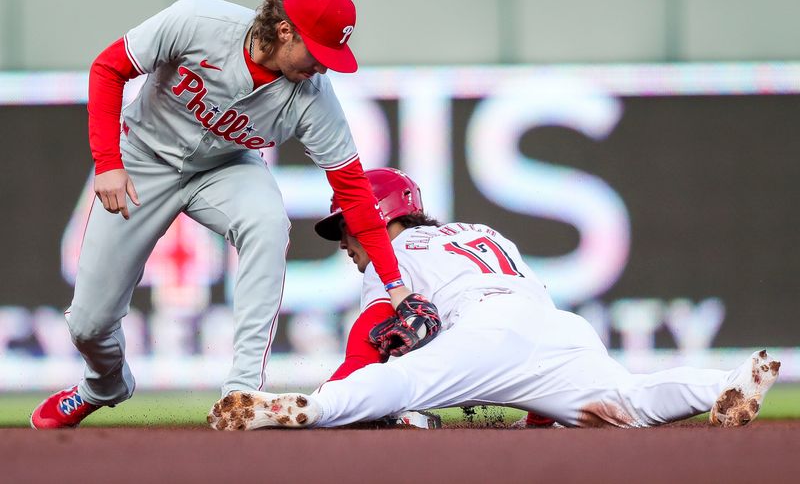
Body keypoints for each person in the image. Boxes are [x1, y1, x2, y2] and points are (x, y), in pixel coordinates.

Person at [30, 0, 441, 430]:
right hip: (142, 159)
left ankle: (240, 392)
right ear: (285, 30)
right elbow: (108, 68)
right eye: (318, 53)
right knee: (88, 324)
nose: (323, 69)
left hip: (226, 168)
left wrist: (395, 284)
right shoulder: (198, 22)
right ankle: (102, 385)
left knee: (268, 222)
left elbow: (354, 192)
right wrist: (108, 161)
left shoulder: (312, 98)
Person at [206, 167, 781, 430]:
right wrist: (540, 403)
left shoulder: (393, 253)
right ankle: (723, 384)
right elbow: (529, 312)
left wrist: (343, 391)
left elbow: (368, 338)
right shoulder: (481, 233)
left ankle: (299, 409)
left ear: (376, 220)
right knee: (625, 404)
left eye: (348, 229)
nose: (346, 244)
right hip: (558, 328)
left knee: (399, 385)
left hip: (487, 333)